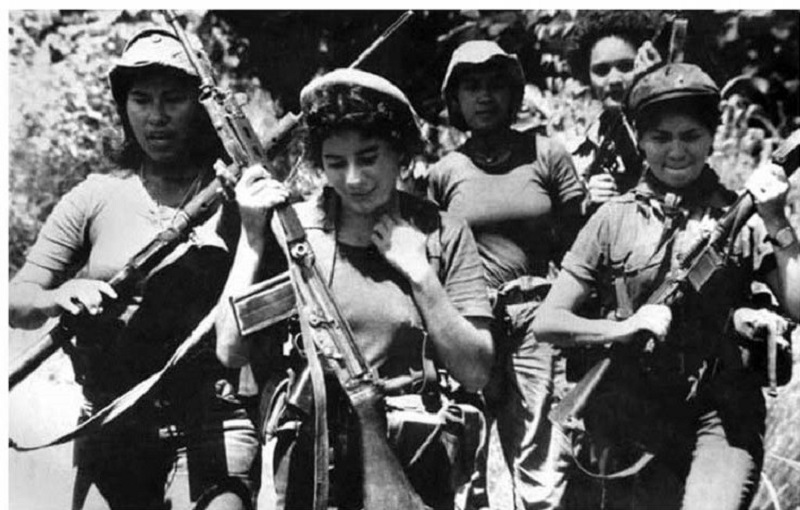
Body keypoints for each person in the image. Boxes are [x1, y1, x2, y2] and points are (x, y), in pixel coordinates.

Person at [214, 68, 495, 510]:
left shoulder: (441, 232)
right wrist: (252, 236)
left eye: (369, 157)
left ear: (399, 152)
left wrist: (421, 277)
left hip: (412, 457)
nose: (354, 179)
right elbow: (229, 350)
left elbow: (476, 371)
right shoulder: (296, 234)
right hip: (313, 459)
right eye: (335, 163)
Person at [9, 29, 260, 510]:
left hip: (211, 421)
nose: (157, 116)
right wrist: (59, 296)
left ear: (202, 107)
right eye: (141, 99)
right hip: (111, 420)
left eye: (174, 99)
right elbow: (17, 303)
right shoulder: (95, 196)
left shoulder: (240, 195)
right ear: (123, 108)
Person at [531, 62, 800, 510]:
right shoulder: (612, 220)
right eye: (661, 138)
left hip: (723, 410)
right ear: (639, 140)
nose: (677, 151)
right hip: (635, 408)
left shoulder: (744, 218)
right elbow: (548, 322)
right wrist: (624, 328)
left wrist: (777, 219)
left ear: (713, 137)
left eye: (691, 136)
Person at [427, 40, 586, 510]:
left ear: (513, 94)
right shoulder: (443, 172)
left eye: (495, 85)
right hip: (467, 323)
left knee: (542, 462)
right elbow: (433, 258)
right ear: (454, 101)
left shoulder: (547, 155)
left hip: (535, 320)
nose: (484, 97)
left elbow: (580, 246)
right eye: (471, 87)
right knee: (463, 463)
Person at [567, 10, 661, 212]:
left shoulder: (675, 129)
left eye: (626, 67)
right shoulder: (582, 147)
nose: (615, 80)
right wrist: (586, 201)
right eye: (601, 71)